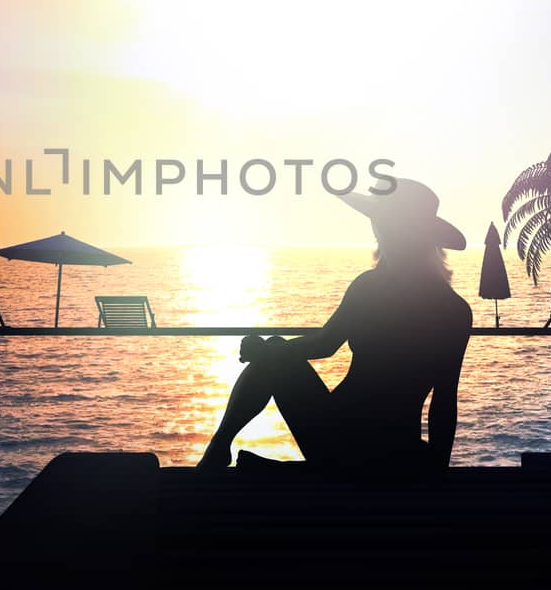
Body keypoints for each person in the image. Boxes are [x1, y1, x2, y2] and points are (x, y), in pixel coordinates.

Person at [197, 179, 473, 475]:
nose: (381, 233)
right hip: (396, 445)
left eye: (387, 226)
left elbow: (324, 344)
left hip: (337, 433)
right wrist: (438, 467)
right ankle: (270, 467)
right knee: (275, 348)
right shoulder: (454, 310)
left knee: (275, 350)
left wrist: (265, 351)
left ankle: (223, 449)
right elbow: (445, 399)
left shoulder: (370, 287)